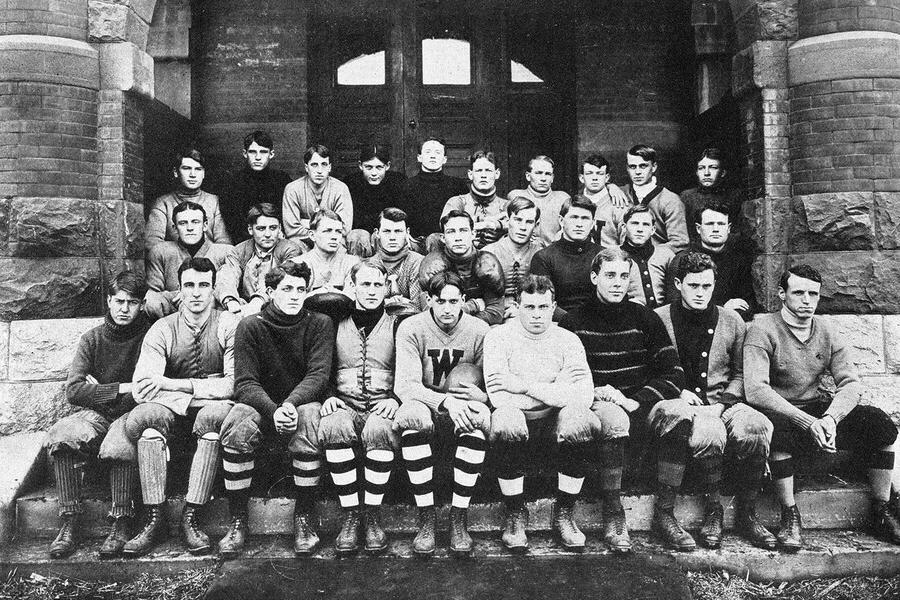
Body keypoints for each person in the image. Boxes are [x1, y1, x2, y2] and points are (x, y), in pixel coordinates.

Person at [744, 265, 900, 551]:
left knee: (879, 423)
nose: (806, 300)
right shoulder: (762, 328)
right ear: (782, 294)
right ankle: (790, 514)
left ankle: (882, 508)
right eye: (799, 292)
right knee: (776, 431)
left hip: (817, 410)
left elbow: (850, 383)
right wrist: (808, 422)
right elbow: (756, 390)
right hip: (781, 410)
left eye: (813, 294)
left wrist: (831, 418)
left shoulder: (827, 329)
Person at [486, 275, 631, 553]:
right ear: (516, 307)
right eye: (529, 307)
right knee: (506, 419)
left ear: (553, 307)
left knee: (580, 418)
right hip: (520, 420)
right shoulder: (498, 337)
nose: (537, 315)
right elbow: (500, 395)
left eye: (543, 307)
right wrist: (555, 389)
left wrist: (525, 385)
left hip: (556, 422)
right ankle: (515, 513)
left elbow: (583, 395)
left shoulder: (568, 339)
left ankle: (564, 511)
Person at [560, 248, 686, 552]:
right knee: (614, 419)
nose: (618, 283)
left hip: (638, 401)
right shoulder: (573, 321)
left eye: (623, 276)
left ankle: (666, 514)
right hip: (598, 401)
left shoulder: (644, 317)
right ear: (594, 278)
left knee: (678, 413)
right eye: (610, 275)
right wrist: (600, 393)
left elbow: (674, 372)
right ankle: (614, 513)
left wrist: (638, 400)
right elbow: (564, 379)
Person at [654, 252, 776, 550]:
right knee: (709, 432)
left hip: (723, 401)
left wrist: (722, 404)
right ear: (678, 283)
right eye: (694, 286)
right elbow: (653, 367)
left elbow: (740, 372)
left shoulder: (731, 320)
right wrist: (677, 391)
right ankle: (712, 509)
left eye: (707, 286)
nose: (700, 293)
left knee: (756, 426)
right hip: (677, 401)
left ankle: (747, 512)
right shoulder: (658, 318)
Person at [121, 258, 240, 557]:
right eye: (189, 285)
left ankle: (192, 516)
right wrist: (200, 389)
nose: (197, 293)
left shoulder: (228, 323)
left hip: (205, 408)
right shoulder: (163, 328)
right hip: (174, 411)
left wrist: (172, 384)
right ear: (179, 291)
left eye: (204, 285)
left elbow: (231, 386)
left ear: (214, 289)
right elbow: (144, 386)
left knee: (215, 418)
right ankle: (154, 517)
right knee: (148, 419)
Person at [216, 261, 334, 557]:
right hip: (263, 403)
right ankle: (238, 519)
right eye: (287, 289)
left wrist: (290, 405)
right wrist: (274, 410)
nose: (295, 295)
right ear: (270, 291)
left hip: (301, 401)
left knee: (309, 420)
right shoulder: (251, 325)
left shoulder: (319, 323)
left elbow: (318, 376)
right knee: (238, 421)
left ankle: (304, 517)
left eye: (301, 289)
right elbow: (244, 383)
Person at [44, 272, 151, 559]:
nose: (124, 309)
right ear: (109, 301)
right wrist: (120, 388)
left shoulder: (151, 334)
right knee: (63, 434)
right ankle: (69, 520)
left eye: (131, 302)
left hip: (133, 414)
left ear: (142, 304)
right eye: (118, 301)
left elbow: (148, 389)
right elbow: (75, 391)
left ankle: (121, 521)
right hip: (98, 413)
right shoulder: (92, 339)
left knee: (120, 441)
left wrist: (103, 390)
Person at [393, 272, 491, 556]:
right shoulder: (412, 327)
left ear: (463, 300)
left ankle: (458, 518)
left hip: (464, 401)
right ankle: (426, 518)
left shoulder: (479, 330)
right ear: (428, 301)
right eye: (440, 301)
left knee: (474, 425)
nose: (447, 308)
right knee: (413, 424)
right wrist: (445, 402)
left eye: (453, 301)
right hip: (428, 400)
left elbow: (492, 382)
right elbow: (405, 385)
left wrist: (482, 397)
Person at [318, 260, 403, 554]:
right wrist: (328, 394)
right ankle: (352, 514)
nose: (371, 291)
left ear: (386, 288)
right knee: (332, 425)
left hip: (383, 405)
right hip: (346, 402)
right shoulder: (332, 321)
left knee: (380, 431)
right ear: (351, 287)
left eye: (377, 284)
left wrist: (396, 399)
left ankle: (372, 514)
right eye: (364, 284)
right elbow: (322, 367)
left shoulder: (398, 322)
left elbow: (407, 368)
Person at [665, 198, 756, 320]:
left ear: (728, 228)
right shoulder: (682, 260)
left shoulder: (738, 260)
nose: (716, 229)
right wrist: (722, 309)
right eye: (709, 224)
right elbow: (676, 307)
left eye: (721, 224)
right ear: (698, 228)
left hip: (731, 325)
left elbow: (747, 304)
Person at [144, 201, 233, 319]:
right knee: (151, 302)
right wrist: (182, 295)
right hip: (173, 311)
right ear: (175, 228)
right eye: (183, 223)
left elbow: (229, 287)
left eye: (195, 222)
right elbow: (153, 292)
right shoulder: (161, 251)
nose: (189, 228)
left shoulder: (225, 252)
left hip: (212, 310)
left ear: (205, 225)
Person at [418, 210, 505, 325]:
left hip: (475, 329)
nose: (458, 238)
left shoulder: (486, 263)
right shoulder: (433, 265)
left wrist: (462, 322)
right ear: (443, 238)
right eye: (451, 232)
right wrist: (473, 305)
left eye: (463, 231)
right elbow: (430, 312)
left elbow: (496, 313)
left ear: (473, 234)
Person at [217, 203, 302, 318]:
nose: (268, 234)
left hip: (275, 309)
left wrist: (257, 302)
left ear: (280, 228)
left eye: (273, 228)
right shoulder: (238, 251)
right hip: (242, 308)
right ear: (250, 230)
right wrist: (231, 301)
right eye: (261, 229)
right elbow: (227, 277)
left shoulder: (290, 249)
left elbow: (279, 280)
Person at [529, 196, 602, 320]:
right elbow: (542, 300)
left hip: (599, 321)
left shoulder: (603, 255)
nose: (579, 224)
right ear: (561, 221)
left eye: (585, 219)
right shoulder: (544, 257)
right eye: (574, 217)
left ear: (593, 223)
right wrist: (572, 321)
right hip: (560, 323)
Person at [145, 147, 230, 251]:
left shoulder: (214, 201)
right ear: (176, 172)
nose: (193, 175)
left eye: (198, 169)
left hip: (209, 263)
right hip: (174, 263)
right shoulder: (163, 203)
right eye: (186, 168)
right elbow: (152, 244)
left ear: (203, 173)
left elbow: (224, 243)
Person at [221, 130, 293, 243]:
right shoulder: (233, 182)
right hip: (245, 241)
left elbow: (288, 216)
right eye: (253, 152)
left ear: (271, 154)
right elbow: (233, 221)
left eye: (263, 152)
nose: (258, 157)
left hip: (277, 239)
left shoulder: (282, 180)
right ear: (245, 153)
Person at [397, 137, 469, 251]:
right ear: (419, 157)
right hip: (413, 242)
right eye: (428, 152)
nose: (432, 156)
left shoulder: (457, 185)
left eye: (437, 152)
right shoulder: (406, 185)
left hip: (444, 242)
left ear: (444, 159)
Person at [282, 144, 353, 250]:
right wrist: (325, 229)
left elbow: (344, 228)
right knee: (293, 245)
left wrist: (307, 222)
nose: (319, 170)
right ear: (306, 167)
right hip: (303, 240)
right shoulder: (293, 189)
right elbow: (291, 229)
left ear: (329, 167)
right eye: (314, 165)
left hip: (333, 240)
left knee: (341, 247)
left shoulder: (340, 188)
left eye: (324, 164)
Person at [343, 143, 407, 256]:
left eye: (379, 167)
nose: (374, 173)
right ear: (360, 165)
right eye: (368, 167)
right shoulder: (351, 183)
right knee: (357, 236)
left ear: (387, 166)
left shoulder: (397, 182)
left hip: (387, 230)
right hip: (361, 232)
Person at [482, 198, 541, 319]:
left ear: (535, 225)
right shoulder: (488, 252)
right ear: (508, 221)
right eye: (518, 220)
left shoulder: (540, 253)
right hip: (495, 315)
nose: (523, 227)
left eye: (529, 222)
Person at [623, 144, 689, 253]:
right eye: (633, 167)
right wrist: (610, 187)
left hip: (656, 258)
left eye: (643, 166)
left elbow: (680, 242)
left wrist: (651, 252)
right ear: (627, 168)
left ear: (654, 167)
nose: (637, 172)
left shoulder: (671, 200)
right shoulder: (621, 193)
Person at [679, 148, 750, 246]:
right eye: (701, 168)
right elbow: (683, 232)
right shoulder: (687, 197)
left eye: (713, 167)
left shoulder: (734, 196)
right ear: (696, 172)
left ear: (723, 172)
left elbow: (739, 232)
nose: (706, 173)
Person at [441, 150, 509, 249]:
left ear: (497, 174)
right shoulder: (458, 202)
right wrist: (487, 224)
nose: (483, 175)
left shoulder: (505, 205)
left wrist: (498, 229)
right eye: (479, 171)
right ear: (470, 174)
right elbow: (446, 225)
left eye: (488, 171)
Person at [507, 155, 571, 248]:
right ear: (528, 176)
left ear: (552, 178)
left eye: (547, 174)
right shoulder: (515, 196)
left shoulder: (562, 198)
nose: (543, 178)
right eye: (538, 173)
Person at [291, 209, 360, 294]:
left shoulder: (352, 263)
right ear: (312, 235)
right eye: (328, 231)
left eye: (338, 232)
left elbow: (354, 299)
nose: (334, 237)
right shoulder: (298, 264)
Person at [371, 207, 426, 314]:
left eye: (398, 231)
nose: (392, 237)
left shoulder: (417, 262)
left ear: (407, 232)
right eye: (387, 231)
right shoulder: (370, 264)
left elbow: (418, 307)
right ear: (377, 233)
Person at [619, 205, 674, 309]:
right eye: (635, 224)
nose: (640, 229)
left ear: (653, 230)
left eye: (645, 224)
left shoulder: (666, 255)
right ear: (624, 227)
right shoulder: (614, 255)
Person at [577, 153, 629, 247]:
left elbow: (626, 245)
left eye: (599, 174)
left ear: (607, 178)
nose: (595, 178)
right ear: (581, 178)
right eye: (589, 173)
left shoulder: (619, 205)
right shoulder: (574, 203)